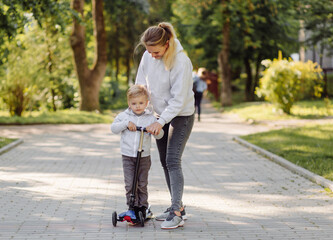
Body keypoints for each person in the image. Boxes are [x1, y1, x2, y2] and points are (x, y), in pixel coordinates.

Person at [135, 22, 195, 229]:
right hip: (160, 115)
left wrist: (159, 122)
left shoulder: (181, 61)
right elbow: (140, 85)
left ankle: (177, 211)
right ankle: (177, 206)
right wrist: (139, 112)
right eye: (149, 51)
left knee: (172, 160)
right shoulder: (147, 56)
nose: (152, 55)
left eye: (156, 51)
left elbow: (178, 101)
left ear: (167, 44)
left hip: (181, 115)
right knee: (164, 160)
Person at [111, 85, 163, 219]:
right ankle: (131, 207)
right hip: (128, 156)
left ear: (146, 103)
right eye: (134, 103)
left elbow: (160, 135)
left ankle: (143, 207)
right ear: (129, 103)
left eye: (141, 103)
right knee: (130, 184)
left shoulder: (150, 118)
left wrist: (155, 130)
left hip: (144, 157)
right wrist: (126, 124)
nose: (138, 106)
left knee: (141, 184)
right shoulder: (124, 116)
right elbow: (114, 128)